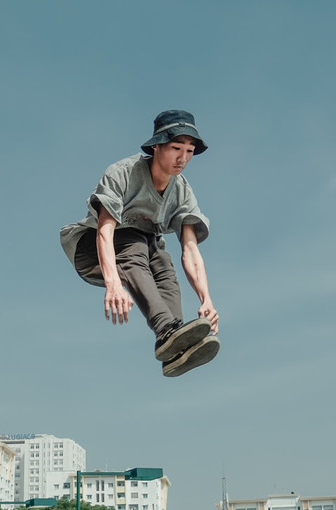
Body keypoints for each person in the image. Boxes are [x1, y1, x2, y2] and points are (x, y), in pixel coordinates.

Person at [60, 110, 220, 377]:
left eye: (190, 151)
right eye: (176, 148)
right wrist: (112, 284)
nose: (183, 158)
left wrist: (207, 298)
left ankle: (173, 345)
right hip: (95, 249)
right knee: (136, 244)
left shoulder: (181, 191)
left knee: (163, 262)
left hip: (144, 249)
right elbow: (104, 230)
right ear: (157, 146)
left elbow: (190, 249)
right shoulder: (123, 172)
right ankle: (165, 327)